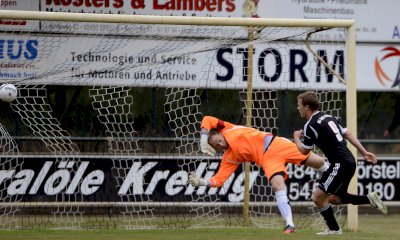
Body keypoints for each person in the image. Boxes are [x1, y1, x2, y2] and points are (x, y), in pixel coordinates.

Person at [188, 115, 330, 234]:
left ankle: (334, 180)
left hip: (276, 144)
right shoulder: (229, 157)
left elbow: (207, 119)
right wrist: (201, 182)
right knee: (277, 185)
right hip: (267, 158)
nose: (220, 144)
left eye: (218, 140)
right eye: (216, 145)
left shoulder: (227, 128)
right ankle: (290, 224)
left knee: (319, 162)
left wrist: (203, 138)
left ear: (220, 133)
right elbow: (218, 181)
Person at [293, 91, 387, 236]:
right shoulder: (330, 117)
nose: (297, 108)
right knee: (334, 198)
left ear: (306, 107)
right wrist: (364, 152)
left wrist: (296, 138)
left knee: (318, 197)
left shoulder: (309, 125)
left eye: (298, 105)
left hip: (339, 164)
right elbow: (348, 134)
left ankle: (334, 229)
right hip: (349, 161)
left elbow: (305, 151)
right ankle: (369, 199)